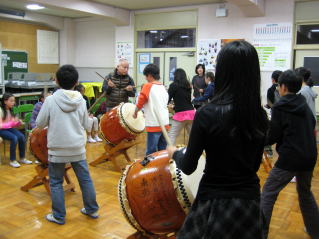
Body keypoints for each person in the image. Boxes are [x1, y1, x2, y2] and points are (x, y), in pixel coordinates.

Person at [167, 40, 268, 239]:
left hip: (214, 201)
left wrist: (176, 154)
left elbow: (188, 166)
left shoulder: (207, 114)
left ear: (222, 71)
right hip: (249, 200)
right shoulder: (260, 115)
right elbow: (254, 163)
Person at [36, 65, 99, 225]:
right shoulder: (81, 100)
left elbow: (39, 123)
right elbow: (86, 124)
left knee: (56, 182)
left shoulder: (50, 100)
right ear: (76, 82)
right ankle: (92, 210)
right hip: (77, 147)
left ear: (56, 81)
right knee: (85, 179)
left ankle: (58, 216)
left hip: (57, 149)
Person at [261, 70, 319, 239]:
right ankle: (315, 231)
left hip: (291, 157)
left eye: (279, 86)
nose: (278, 89)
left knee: (268, 193)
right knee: (305, 193)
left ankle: (260, 233)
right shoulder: (304, 105)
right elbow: (312, 124)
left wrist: (258, 141)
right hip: (309, 156)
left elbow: (273, 136)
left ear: (283, 87)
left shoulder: (281, 106)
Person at [133, 64, 169, 156]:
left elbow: (140, 102)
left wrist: (135, 112)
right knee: (163, 151)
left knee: (151, 153)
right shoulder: (163, 87)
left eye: (146, 76)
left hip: (154, 123)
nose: (146, 78)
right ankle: (161, 169)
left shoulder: (148, 86)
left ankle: (151, 169)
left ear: (149, 75)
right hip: (165, 123)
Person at [0, 93, 32, 168]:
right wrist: (11, 123)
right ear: (5, 101)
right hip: (1, 130)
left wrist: (17, 122)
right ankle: (12, 160)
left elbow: (12, 124)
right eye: (11, 101)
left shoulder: (11, 110)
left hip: (8, 129)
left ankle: (22, 158)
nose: (13, 103)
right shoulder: (0, 110)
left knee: (21, 136)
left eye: (13, 101)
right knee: (14, 138)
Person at [167, 68, 195, 145]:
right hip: (191, 113)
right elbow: (185, 100)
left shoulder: (173, 85)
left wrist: (169, 105)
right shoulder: (188, 86)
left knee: (171, 135)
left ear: (176, 76)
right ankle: (194, 155)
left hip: (181, 114)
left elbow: (167, 99)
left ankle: (170, 155)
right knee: (193, 136)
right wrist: (174, 107)